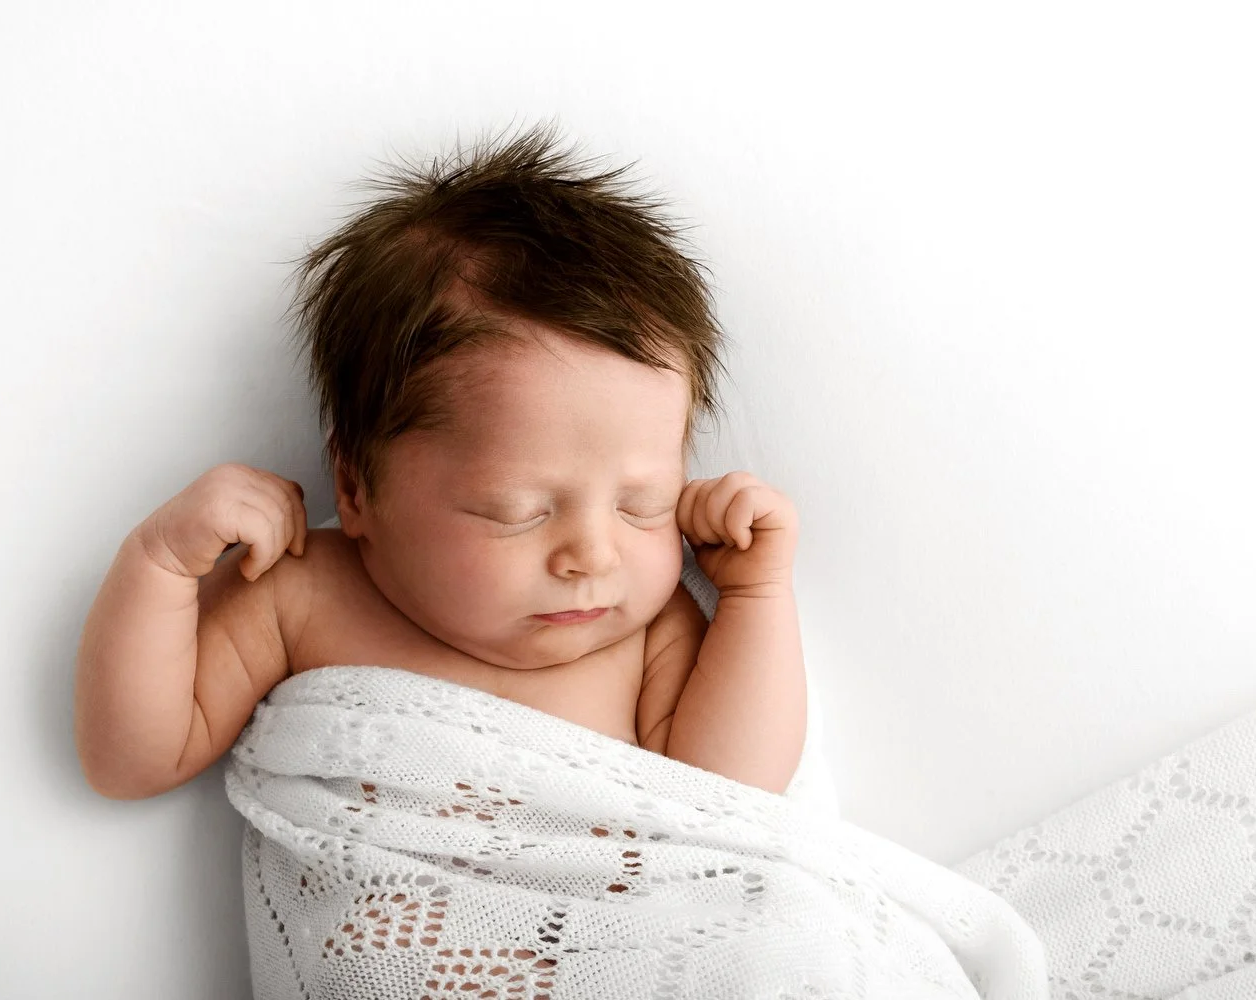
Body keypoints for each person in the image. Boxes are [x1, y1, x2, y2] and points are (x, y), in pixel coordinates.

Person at [73, 123, 806, 803]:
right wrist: (162, 565)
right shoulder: (300, 594)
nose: (592, 554)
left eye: (641, 505)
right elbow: (132, 761)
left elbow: (734, 796)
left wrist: (755, 598)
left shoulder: (642, 631)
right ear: (356, 486)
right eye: (517, 511)